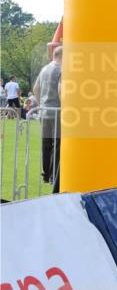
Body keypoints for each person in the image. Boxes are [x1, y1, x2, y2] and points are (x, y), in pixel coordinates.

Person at [33, 48, 62, 192]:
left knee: (46, 143)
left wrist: (40, 104)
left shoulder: (44, 69)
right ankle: (53, 176)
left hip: (44, 111)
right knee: (57, 144)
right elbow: (60, 90)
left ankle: (46, 174)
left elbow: (36, 88)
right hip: (57, 111)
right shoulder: (62, 69)